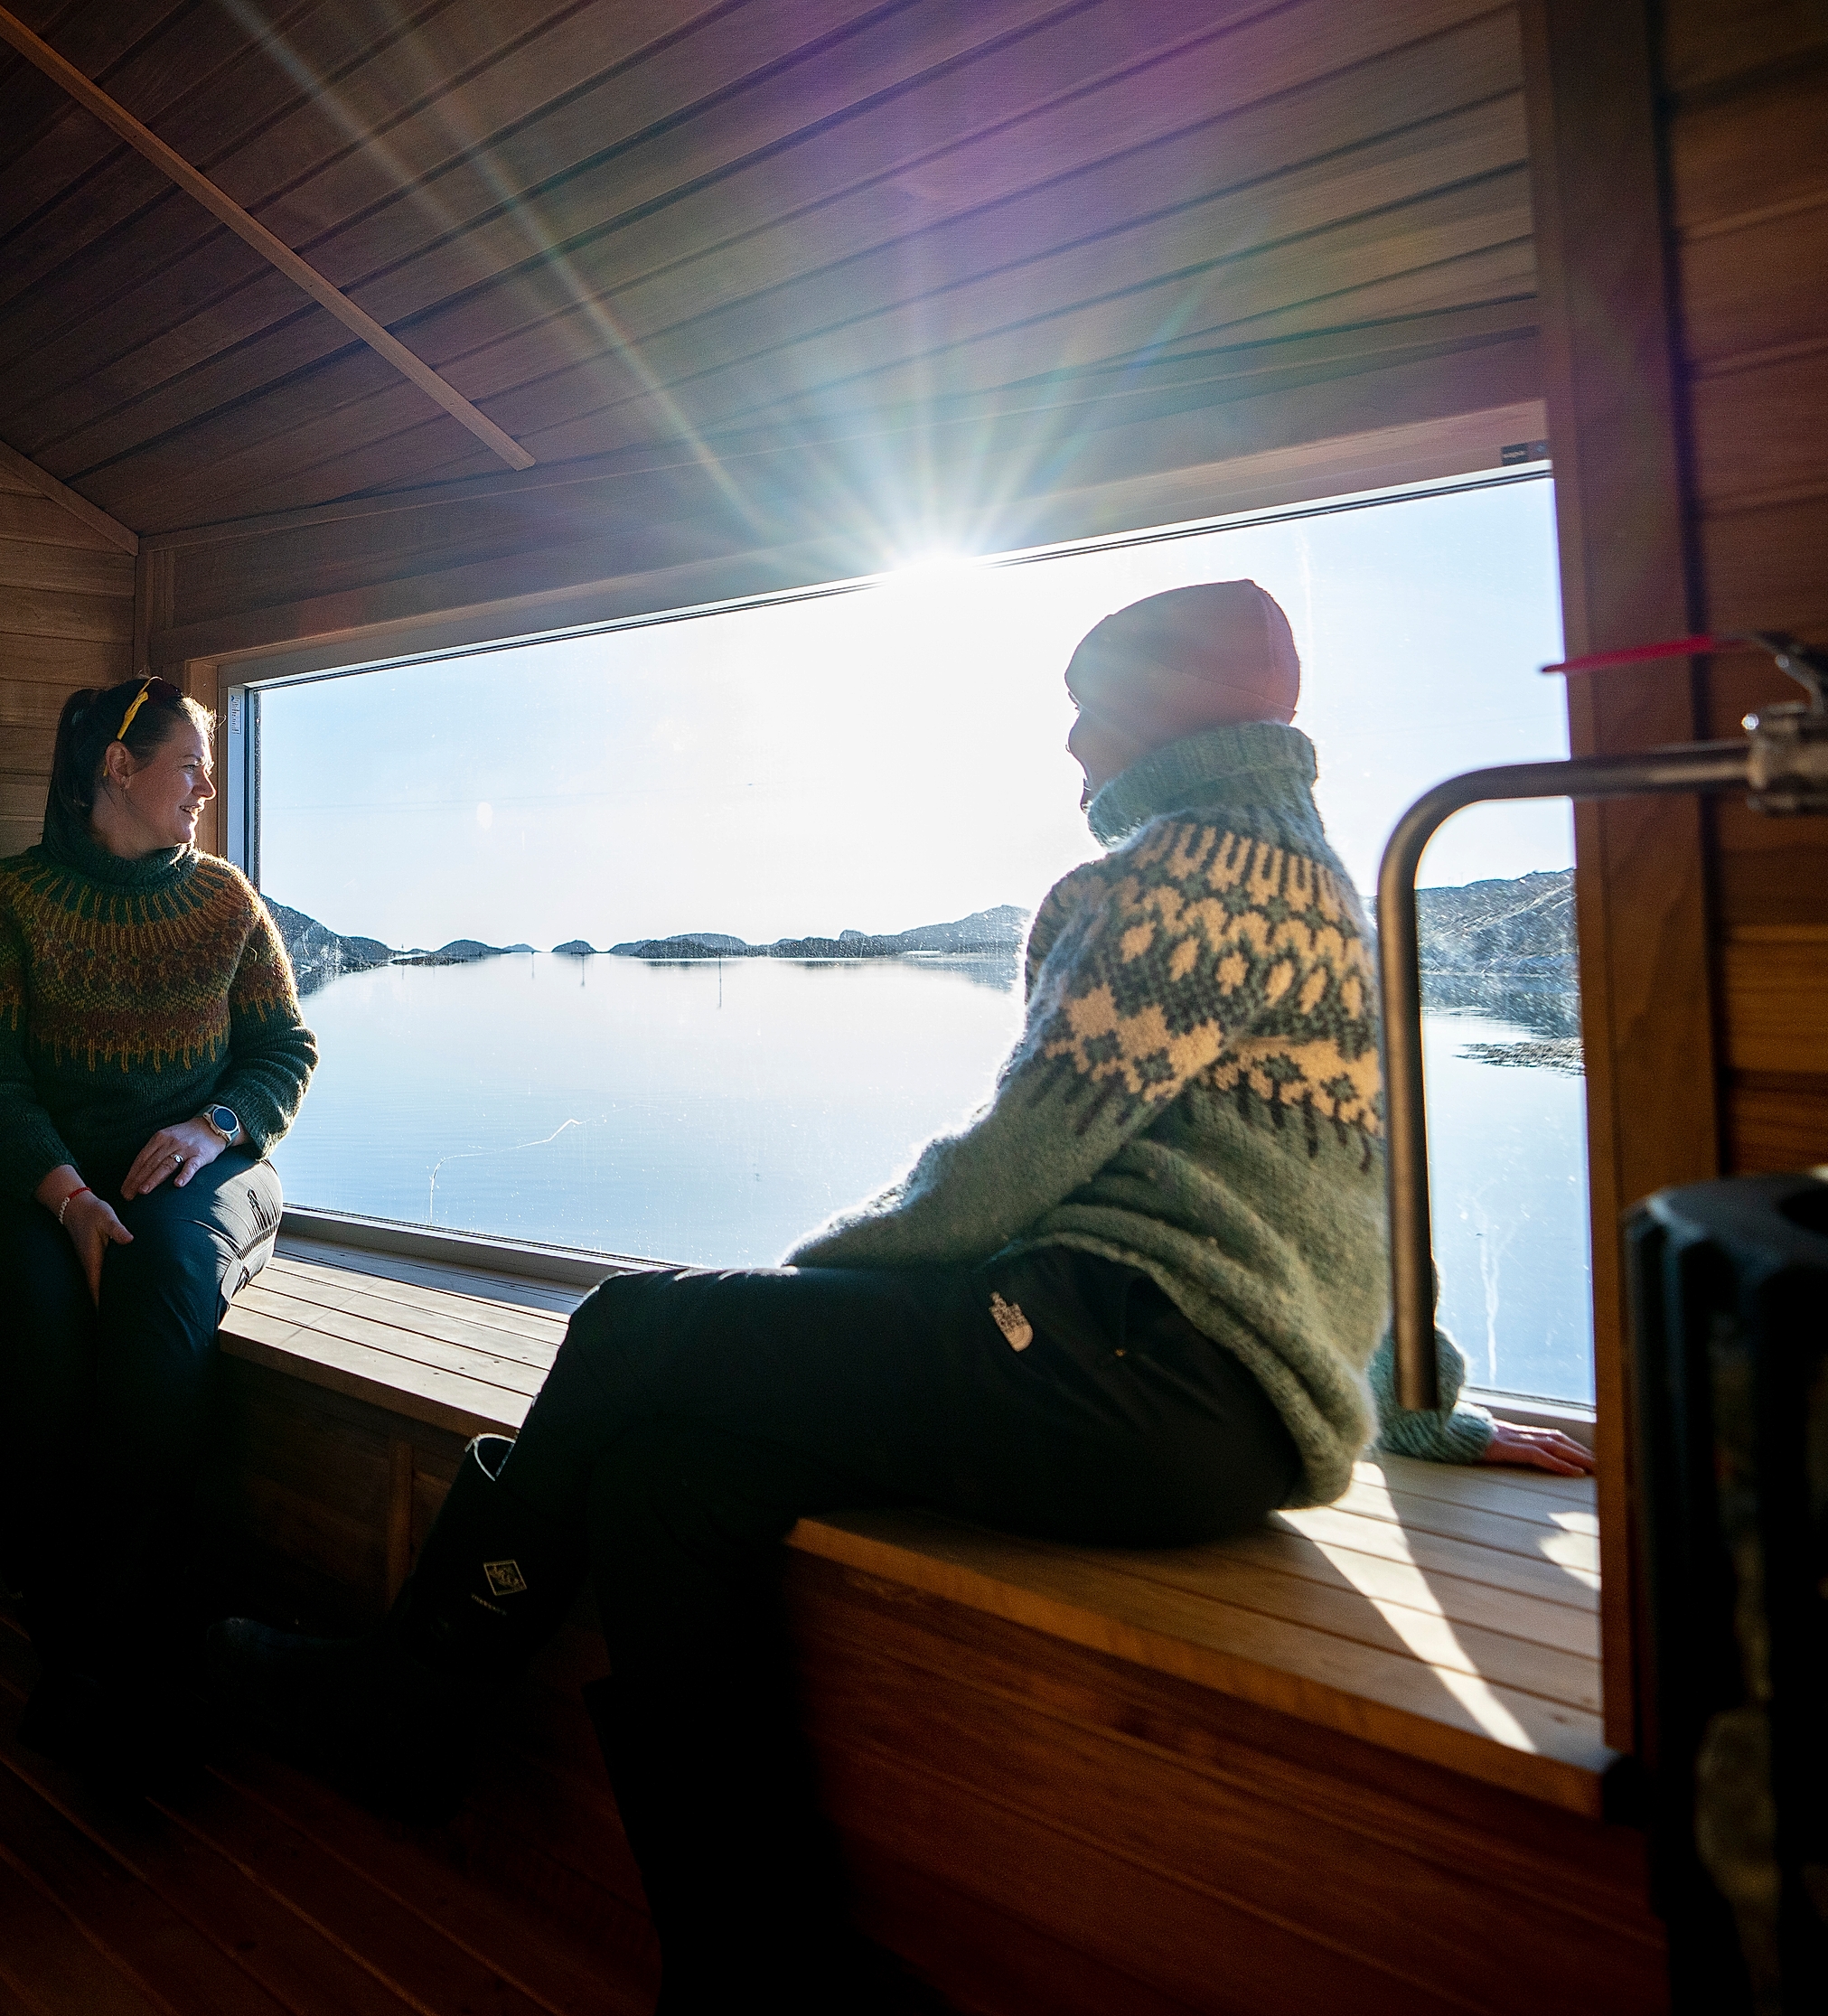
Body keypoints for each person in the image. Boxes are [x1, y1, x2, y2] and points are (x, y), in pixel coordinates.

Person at [209, 580, 1589, 2011]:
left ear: (1174, 706)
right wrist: (1419, 1397)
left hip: (1113, 1359)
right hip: (1210, 1423)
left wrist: (781, 1300)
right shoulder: (1327, 891)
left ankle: (407, 1697)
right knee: (671, 1476)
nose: (1072, 744)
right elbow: (1348, 1197)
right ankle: (751, 1964)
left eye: (1091, 707)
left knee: (631, 1327)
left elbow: (1005, 1169)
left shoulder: (1173, 874)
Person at [0, 672, 319, 1786]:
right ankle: (73, 1631)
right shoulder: (9, 901)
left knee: (159, 1294)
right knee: (40, 1321)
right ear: (118, 765)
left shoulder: (226, 901)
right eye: (190, 764)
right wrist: (66, 1195)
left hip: (200, 1170)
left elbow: (285, 1050)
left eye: (208, 766)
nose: (206, 787)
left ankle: (114, 1642)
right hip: (40, 1177)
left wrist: (216, 1124)